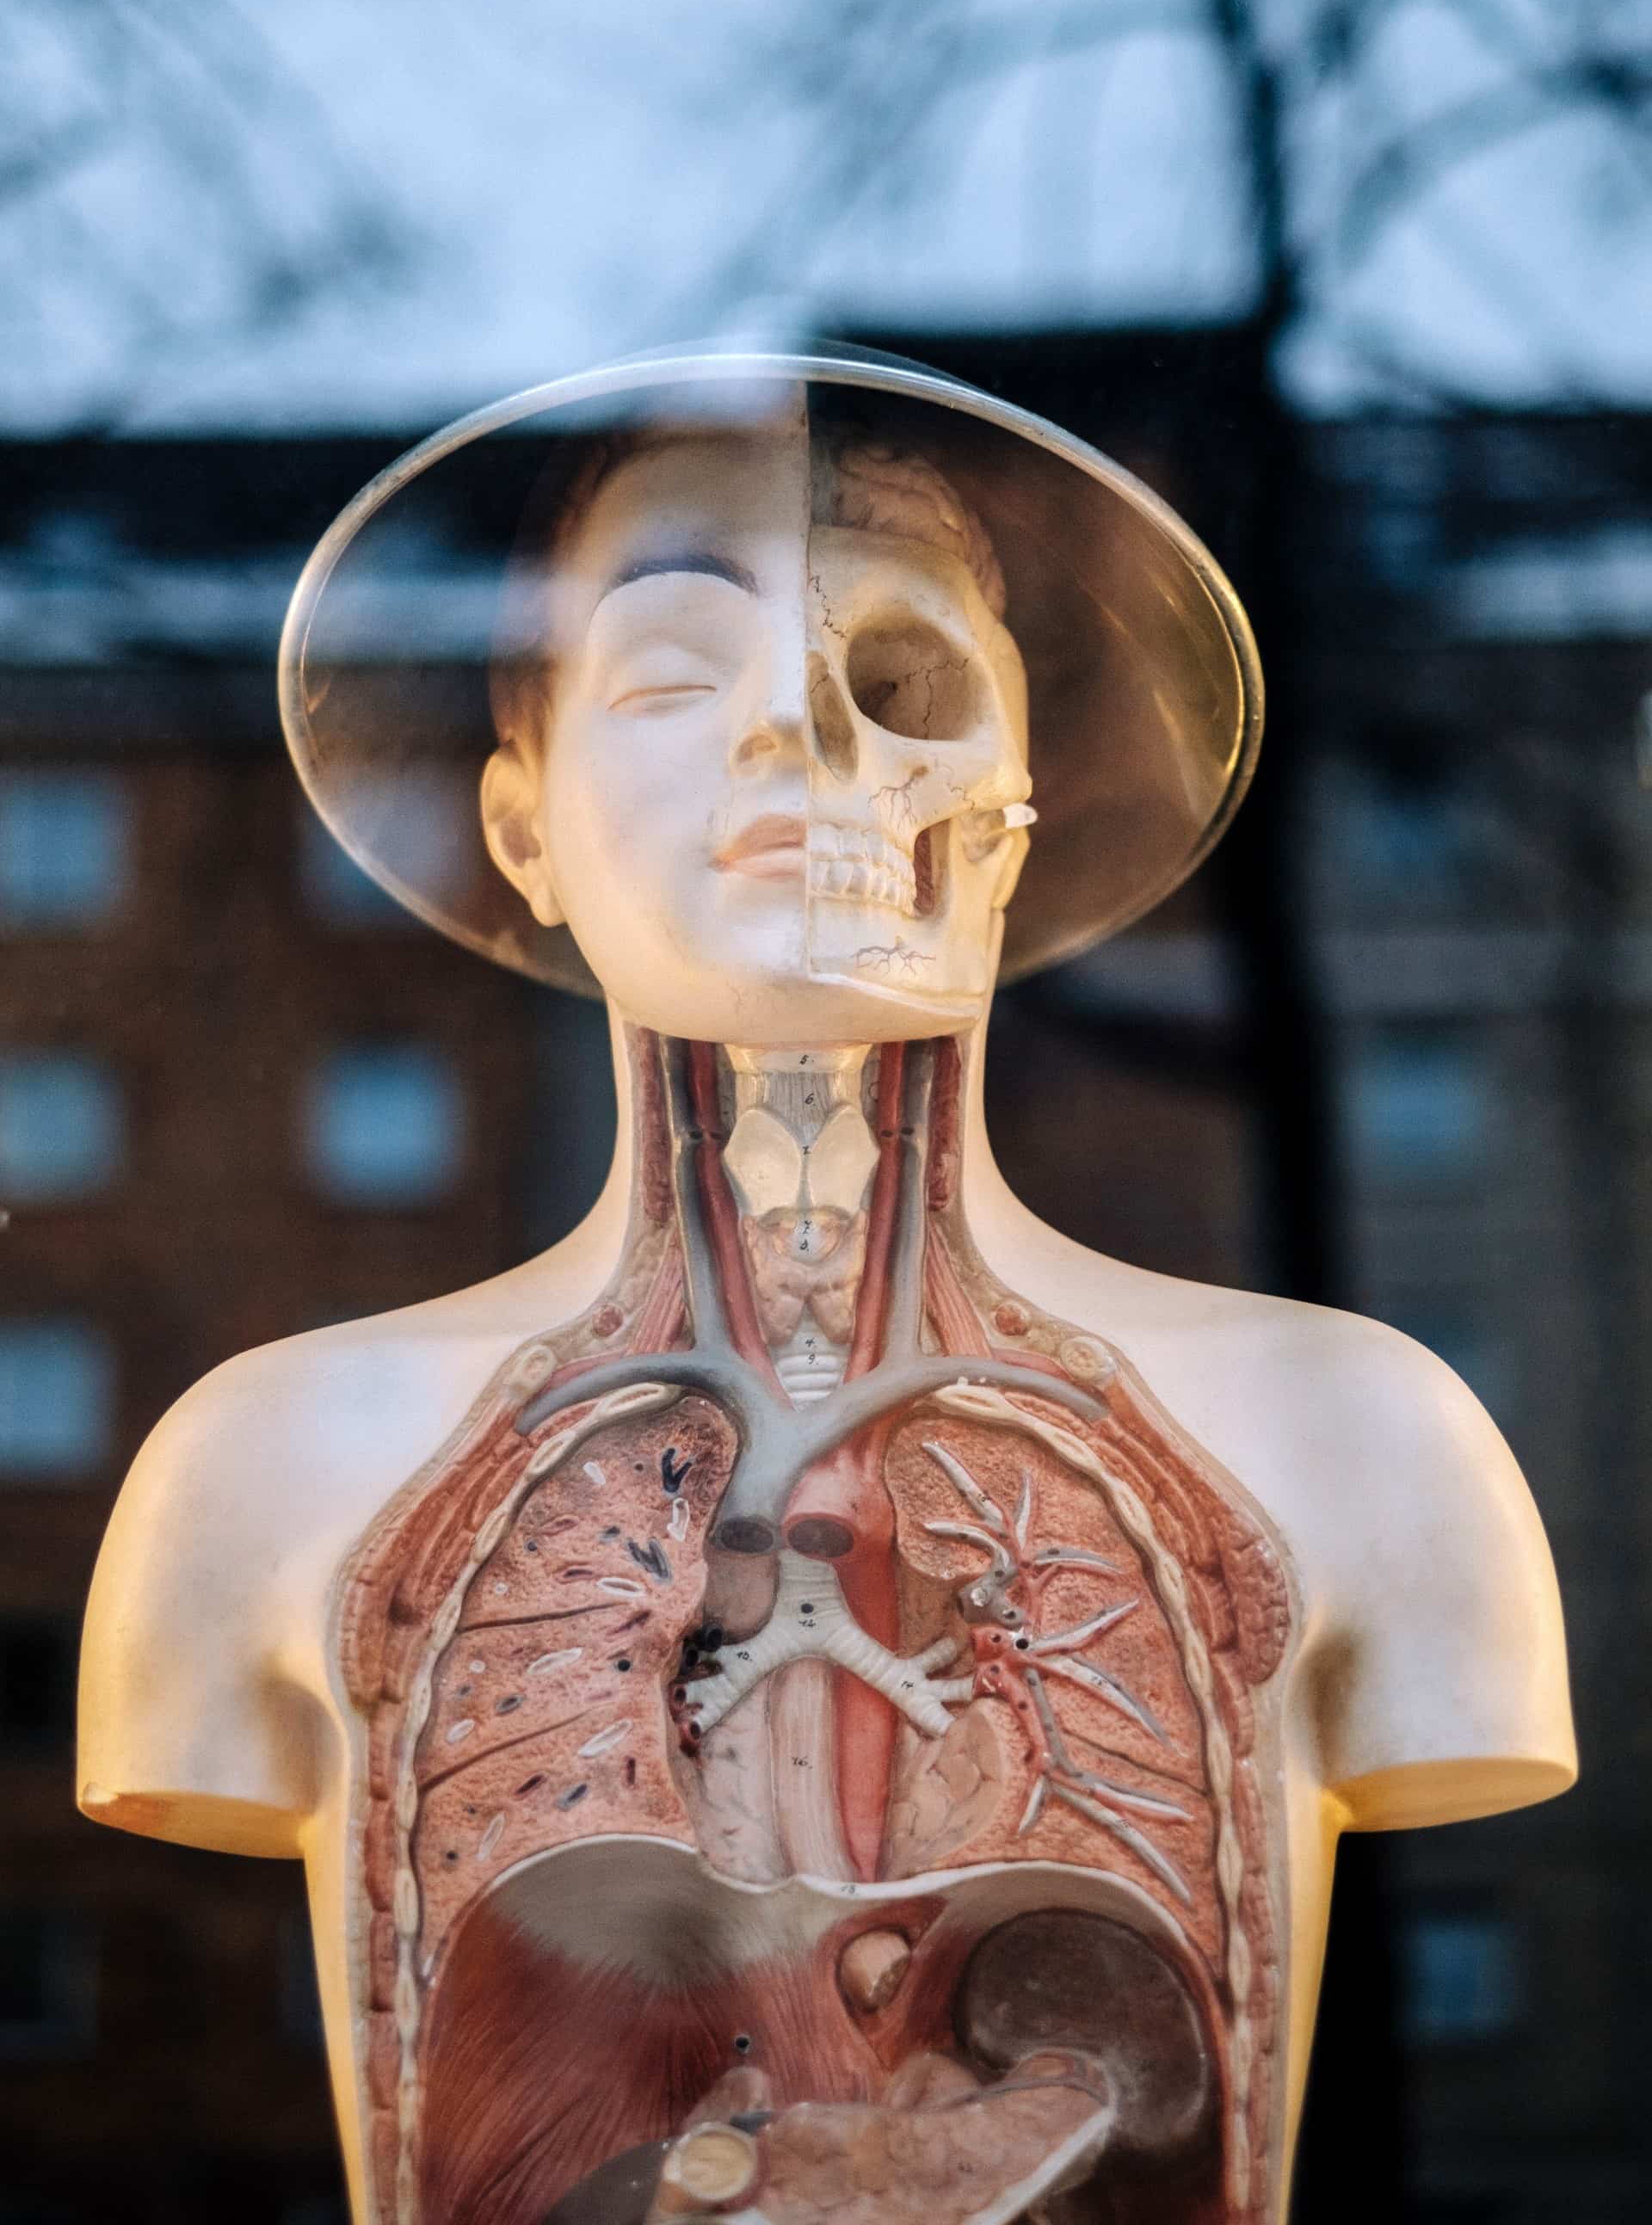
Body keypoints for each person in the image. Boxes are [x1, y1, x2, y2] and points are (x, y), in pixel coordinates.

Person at [79, 348, 1574, 2225]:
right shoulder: (271, 1466)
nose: (805, 739)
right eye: (678, 677)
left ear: (1015, 798)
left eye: (902, 676)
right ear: (523, 830)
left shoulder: (1364, 1441)